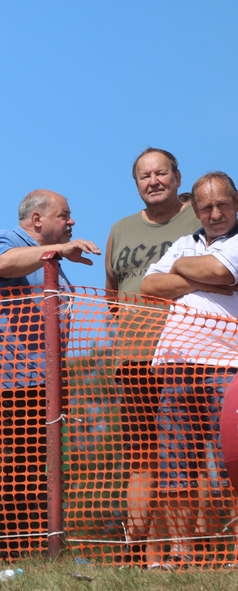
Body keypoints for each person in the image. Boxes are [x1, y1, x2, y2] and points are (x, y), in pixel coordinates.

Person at [0, 190, 100, 559]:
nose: (71, 221)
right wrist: (56, 251)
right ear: (37, 219)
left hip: (36, 385)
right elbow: (4, 264)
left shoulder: (51, 260)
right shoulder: (9, 238)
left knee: (32, 470)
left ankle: (30, 551)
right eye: (64, 215)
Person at [105, 148, 203, 564]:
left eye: (161, 173)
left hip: (188, 355)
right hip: (133, 359)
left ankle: (193, 550)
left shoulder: (200, 220)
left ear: (177, 177)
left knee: (191, 456)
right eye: (144, 176)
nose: (154, 181)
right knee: (142, 458)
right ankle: (139, 554)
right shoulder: (120, 229)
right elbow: (110, 296)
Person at [141, 171, 238, 569]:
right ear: (195, 210)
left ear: (236, 203)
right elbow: (149, 287)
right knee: (175, 467)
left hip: (226, 368)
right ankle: (182, 553)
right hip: (176, 368)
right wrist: (197, 275)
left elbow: (222, 273)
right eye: (206, 207)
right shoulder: (185, 243)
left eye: (223, 205)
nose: (215, 214)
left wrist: (180, 270)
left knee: (233, 463)